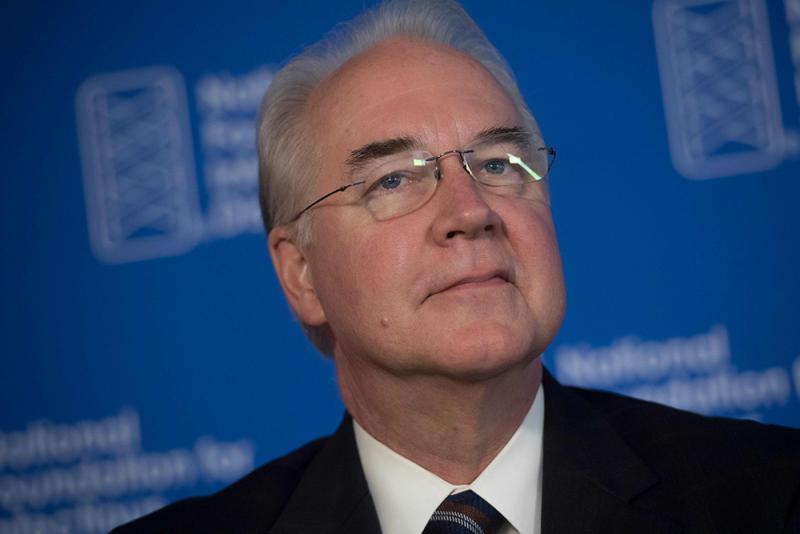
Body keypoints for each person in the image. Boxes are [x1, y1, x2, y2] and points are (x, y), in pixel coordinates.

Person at [113, 1, 800, 532]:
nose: (471, 211)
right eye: (393, 180)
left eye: (499, 164)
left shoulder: (772, 495)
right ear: (301, 274)